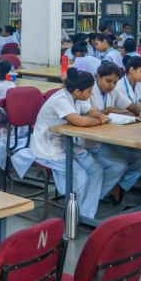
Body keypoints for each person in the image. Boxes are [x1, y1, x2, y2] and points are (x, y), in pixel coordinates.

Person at [24, 69, 110, 219]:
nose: (91, 94)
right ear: (77, 91)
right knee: (80, 177)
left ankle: (86, 215)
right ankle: (73, 217)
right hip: (49, 149)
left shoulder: (76, 97)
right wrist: (99, 120)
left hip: (67, 144)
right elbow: (81, 121)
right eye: (89, 91)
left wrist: (97, 116)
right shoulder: (60, 99)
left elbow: (93, 111)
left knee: (96, 170)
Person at [85, 62, 141, 206]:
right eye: (108, 81)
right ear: (98, 77)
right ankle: (91, 199)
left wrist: (140, 112)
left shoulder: (113, 92)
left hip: (110, 138)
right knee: (119, 165)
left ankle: (118, 186)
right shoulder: (88, 91)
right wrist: (107, 110)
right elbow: (83, 116)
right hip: (90, 142)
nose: (111, 86)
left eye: (115, 82)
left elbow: (132, 106)